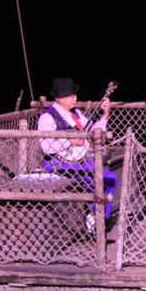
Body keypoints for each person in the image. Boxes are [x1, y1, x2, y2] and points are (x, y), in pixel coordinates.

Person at [38, 77, 117, 236]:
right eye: (71, 95)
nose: (75, 98)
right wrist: (70, 141)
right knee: (95, 182)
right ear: (60, 98)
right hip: (58, 163)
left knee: (109, 179)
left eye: (75, 94)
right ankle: (93, 220)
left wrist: (105, 115)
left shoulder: (76, 114)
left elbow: (95, 131)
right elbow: (46, 147)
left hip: (79, 162)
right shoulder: (47, 118)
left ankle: (99, 218)